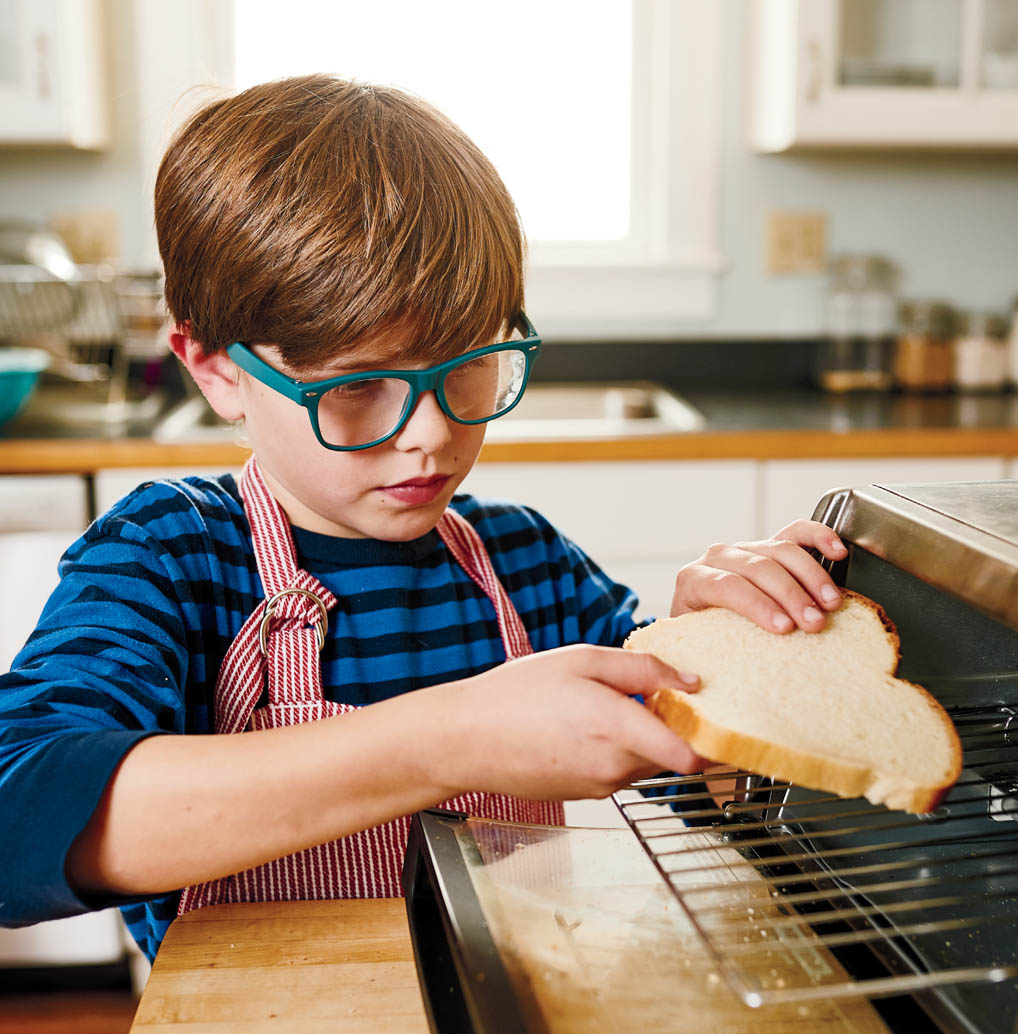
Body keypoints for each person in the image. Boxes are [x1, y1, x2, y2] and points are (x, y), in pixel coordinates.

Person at [0, 75, 846, 962]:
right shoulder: (171, 559)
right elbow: (17, 821)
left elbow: (703, 788)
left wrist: (730, 666)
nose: (432, 436)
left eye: (471, 364)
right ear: (216, 371)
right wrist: (447, 740)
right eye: (358, 387)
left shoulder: (527, 565)